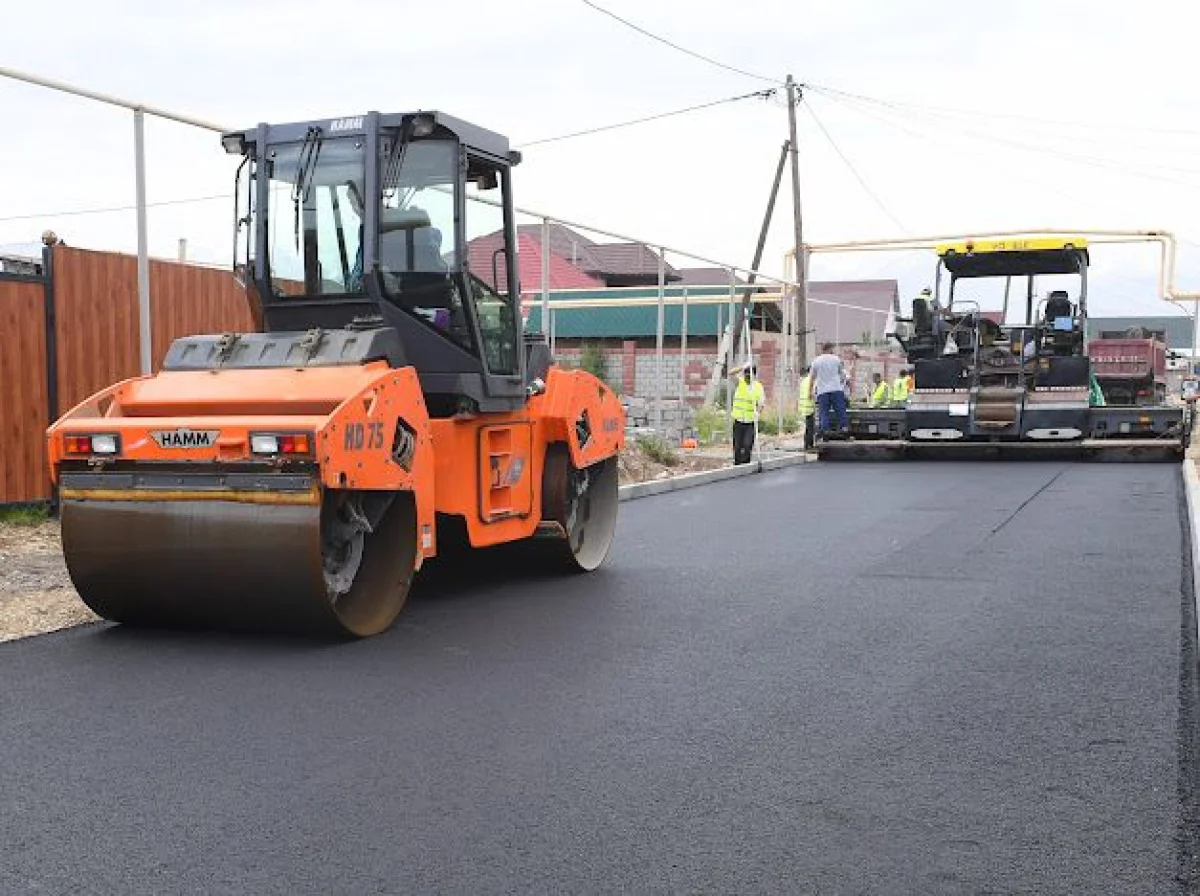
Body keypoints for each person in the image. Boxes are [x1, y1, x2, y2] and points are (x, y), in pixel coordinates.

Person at [809, 342, 848, 437]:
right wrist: (842, 384)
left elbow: (812, 378)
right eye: (832, 349)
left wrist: (810, 391)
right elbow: (842, 375)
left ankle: (825, 430)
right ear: (830, 349)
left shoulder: (816, 361)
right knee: (840, 409)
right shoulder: (836, 359)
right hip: (836, 389)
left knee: (824, 412)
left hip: (822, 391)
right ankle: (844, 427)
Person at [730, 363, 766, 464]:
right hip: (738, 420)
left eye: (749, 375)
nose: (747, 378)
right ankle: (737, 465)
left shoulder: (758, 387)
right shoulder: (740, 382)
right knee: (737, 447)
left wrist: (758, 412)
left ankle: (746, 466)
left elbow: (761, 403)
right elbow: (730, 373)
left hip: (750, 422)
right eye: (745, 375)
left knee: (747, 445)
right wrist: (742, 366)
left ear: (753, 375)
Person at [797, 364, 816, 451]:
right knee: (811, 428)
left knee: (808, 428)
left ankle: (807, 445)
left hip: (804, 407)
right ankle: (809, 446)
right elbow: (814, 394)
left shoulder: (804, 380)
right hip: (810, 407)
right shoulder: (813, 381)